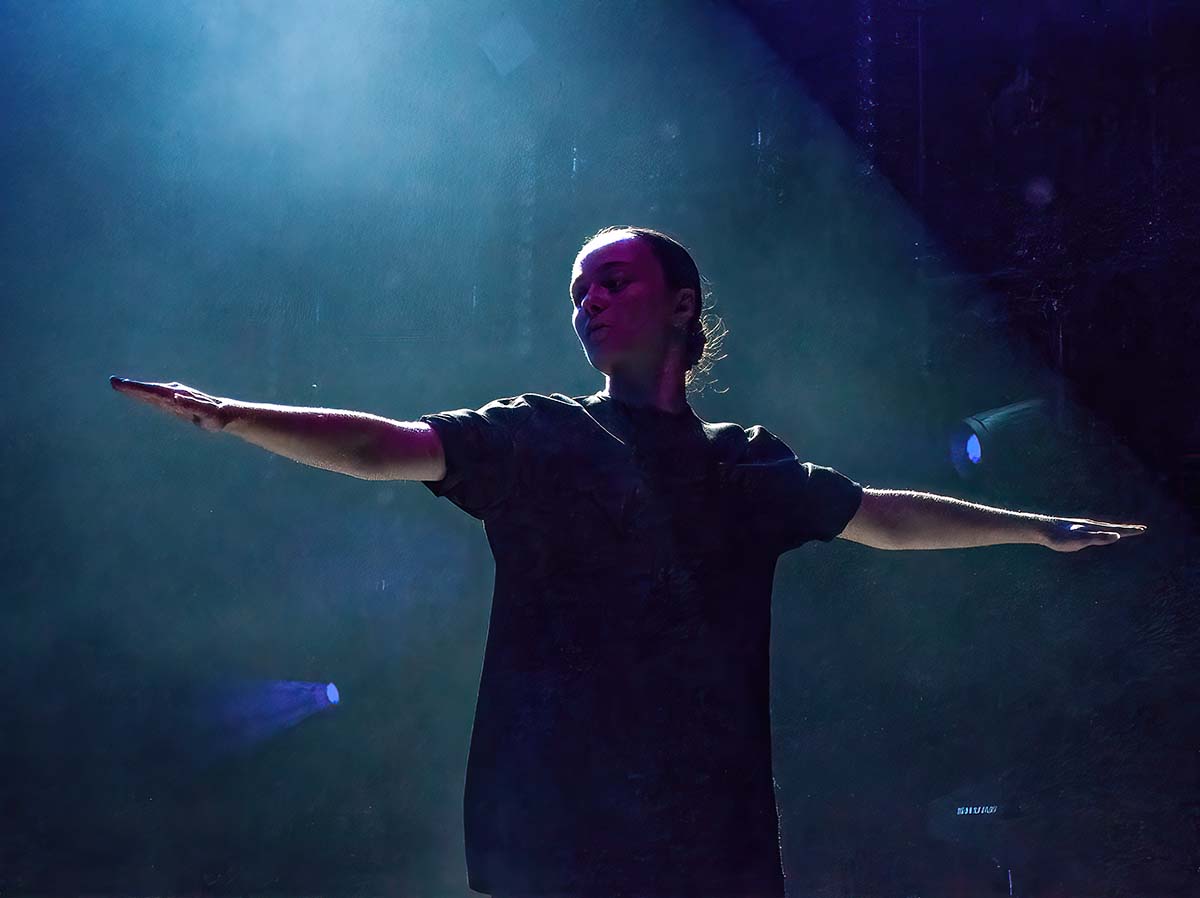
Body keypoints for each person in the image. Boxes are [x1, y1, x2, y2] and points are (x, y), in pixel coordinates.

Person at [111, 226, 1146, 898]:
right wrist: (232, 413)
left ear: (682, 303)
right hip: (556, 833)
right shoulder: (543, 434)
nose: (589, 302)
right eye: (578, 291)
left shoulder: (744, 464)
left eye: (613, 281)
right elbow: (387, 448)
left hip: (710, 839)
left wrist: (1033, 527)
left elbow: (883, 517)